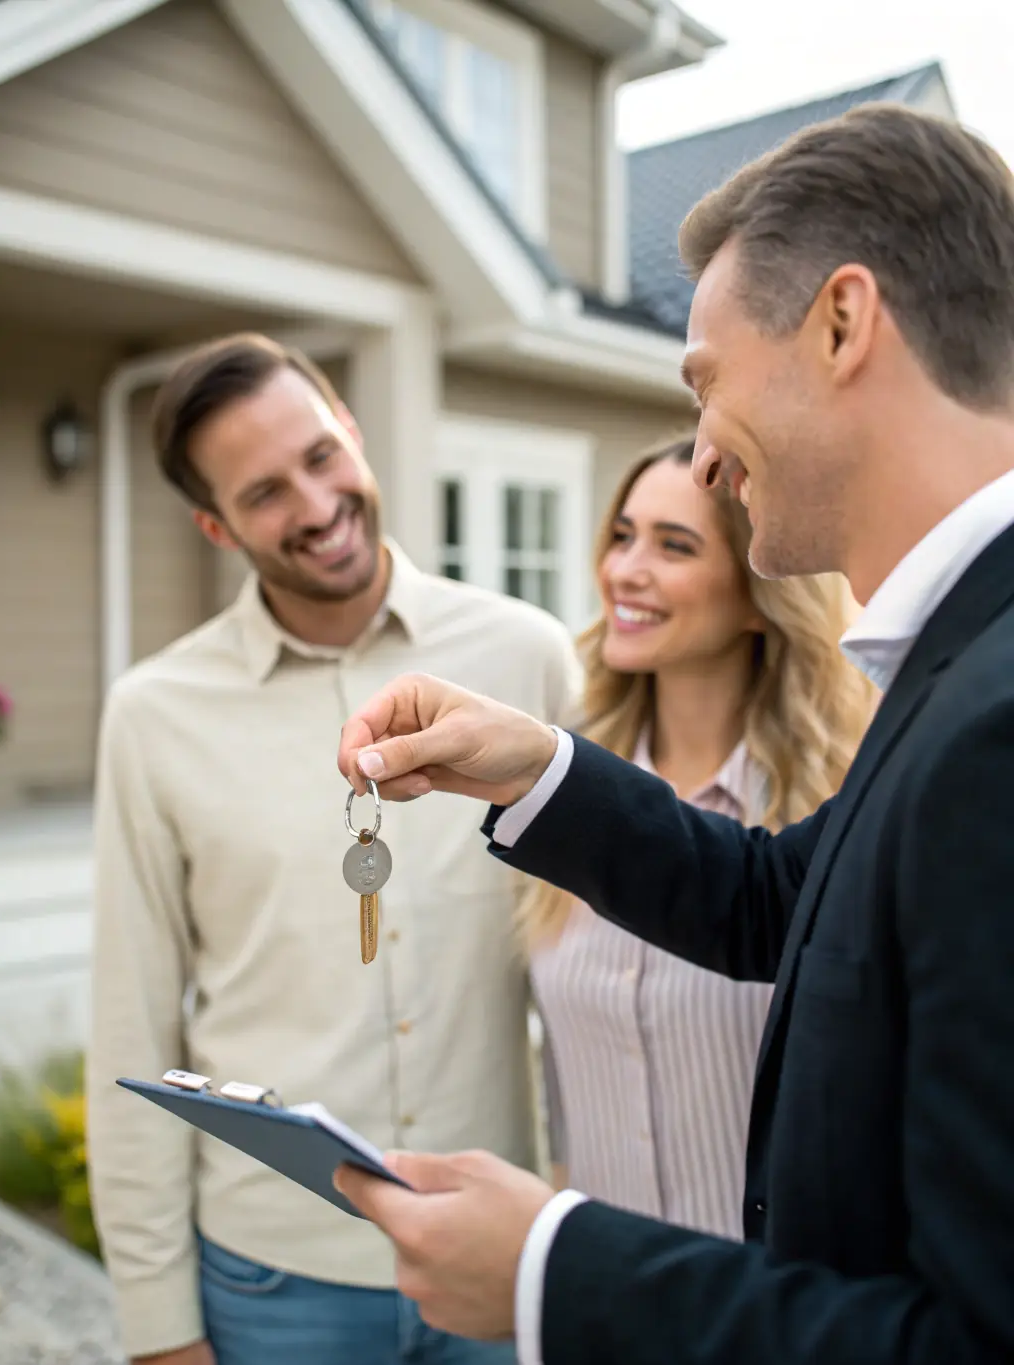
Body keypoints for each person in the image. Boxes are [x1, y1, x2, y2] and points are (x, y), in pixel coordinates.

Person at [334, 102, 1014, 1365]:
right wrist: (537, 766)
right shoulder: (960, 662)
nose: (700, 456)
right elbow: (779, 900)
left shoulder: (996, 716)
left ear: (843, 323)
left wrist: (554, 1269)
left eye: (705, 382)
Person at [85, 333, 580, 1365]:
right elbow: (132, 1023)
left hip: (497, 1253)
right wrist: (158, 1325)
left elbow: (597, 966)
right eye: (265, 493)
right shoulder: (152, 715)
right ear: (215, 526)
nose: (315, 506)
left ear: (351, 432)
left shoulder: (526, 657)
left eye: (320, 457)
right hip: (273, 1283)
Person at [526, 437, 875, 1234]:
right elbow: (558, 1093)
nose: (625, 569)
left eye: (674, 545)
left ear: (761, 586)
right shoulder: (563, 799)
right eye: (622, 536)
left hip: (772, 1289)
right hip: (599, 1280)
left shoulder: (838, 804)